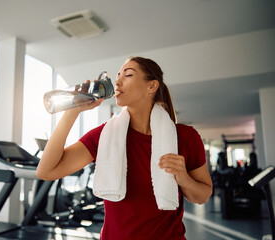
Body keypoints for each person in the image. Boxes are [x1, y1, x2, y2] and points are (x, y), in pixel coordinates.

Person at [36, 56, 213, 239]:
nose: (118, 81)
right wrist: (72, 111)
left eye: (127, 75)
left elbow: (202, 196)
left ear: (151, 86)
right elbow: (46, 171)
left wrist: (183, 178)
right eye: (117, 76)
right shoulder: (104, 135)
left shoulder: (185, 137)